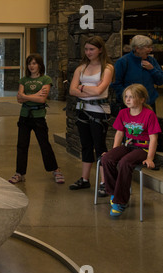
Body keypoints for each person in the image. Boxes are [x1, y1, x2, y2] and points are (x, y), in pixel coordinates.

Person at [101, 84, 161, 217]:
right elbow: (119, 133)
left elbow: (153, 138)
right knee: (107, 159)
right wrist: (113, 151)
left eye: (132, 97)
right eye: (126, 97)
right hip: (128, 145)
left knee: (125, 163)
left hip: (143, 148)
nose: (127, 100)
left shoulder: (149, 115)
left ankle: (120, 201)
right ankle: (114, 193)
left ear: (142, 99)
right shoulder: (123, 113)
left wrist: (150, 158)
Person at [8, 53, 65, 185]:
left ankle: (55, 169)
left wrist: (26, 96)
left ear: (40, 65)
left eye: (34, 63)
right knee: (22, 145)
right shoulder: (24, 80)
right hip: (24, 116)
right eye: (29, 63)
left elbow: (41, 99)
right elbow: (18, 99)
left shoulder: (46, 80)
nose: (31, 66)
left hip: (39, 117)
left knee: (44, 144)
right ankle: (19, 173)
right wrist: (34, 95)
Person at [68, 36, 114, 196]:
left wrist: (81, 87)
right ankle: (85, 179)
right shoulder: (81, 68)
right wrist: (89, 89)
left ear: (100, 49)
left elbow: (99, 91)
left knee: (100, 146)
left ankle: (104, 182)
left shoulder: (107, 68)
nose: (88, 52)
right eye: (86, 49)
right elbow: (71, 91)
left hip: (99, 112)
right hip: (83, 111)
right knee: (86, 145)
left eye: (91, 49)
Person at [111, 35, 163, 115]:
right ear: (137, 49)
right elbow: (116, 84)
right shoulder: (123, 62)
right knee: (132, 127)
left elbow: (160, 81)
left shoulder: (152, 61)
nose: (150, 50)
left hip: (149, 104)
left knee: (149, 127)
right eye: (147, 47)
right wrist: (129, 99)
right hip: (130, 106)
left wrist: (152, 69)